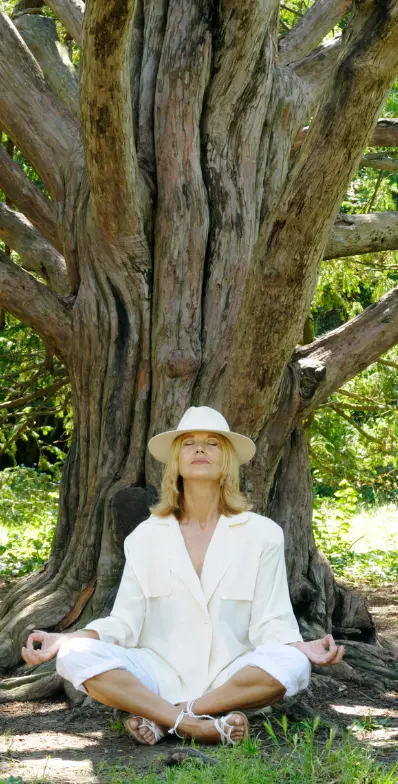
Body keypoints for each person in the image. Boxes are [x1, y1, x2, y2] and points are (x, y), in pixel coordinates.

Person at [22, 406, 344, 746]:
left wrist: (301, 646)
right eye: (189, 442)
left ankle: (174, 714)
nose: (200, 449)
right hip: (157, 673)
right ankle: (193, 726)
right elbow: (124, 623)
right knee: (74, 657)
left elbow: (272, 620)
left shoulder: (263, 534)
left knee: (293, 664)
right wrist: (66, 639)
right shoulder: (145, 537)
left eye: (213, 443)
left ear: (228, 460)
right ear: (176, 460)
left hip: (231, 673)